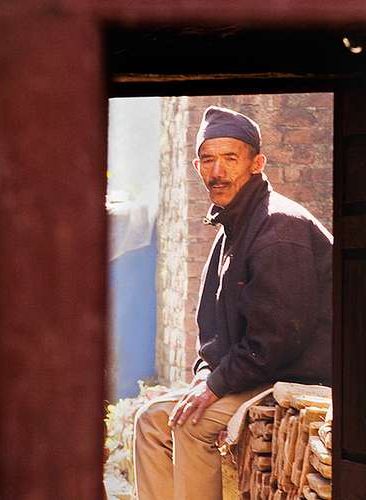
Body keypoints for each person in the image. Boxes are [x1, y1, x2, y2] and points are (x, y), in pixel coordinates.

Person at [133, 105, 333, 500]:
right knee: (151, 421)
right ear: (197, 166)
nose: (217, 171)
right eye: (208, 160)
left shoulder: (280, 227)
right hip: (259, 374)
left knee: (192, 425)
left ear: (257, 164)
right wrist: (205, 374)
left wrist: (217, 385)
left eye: (230, 158)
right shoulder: (232, 227)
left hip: (298, 375)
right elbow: (211, 330)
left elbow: (278, 340)